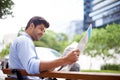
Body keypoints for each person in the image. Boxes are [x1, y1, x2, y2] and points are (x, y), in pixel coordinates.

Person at [8, 16, 80, 80]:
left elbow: (34, 67)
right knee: (75, 68)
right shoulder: (24, 40)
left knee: (72, 67)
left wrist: (59, 63)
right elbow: (32, 66)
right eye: (41, 29)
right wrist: (65, 60)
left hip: (32, 77)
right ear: (31, 26)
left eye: (44, 31)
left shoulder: (24, 41)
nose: (42, 33)